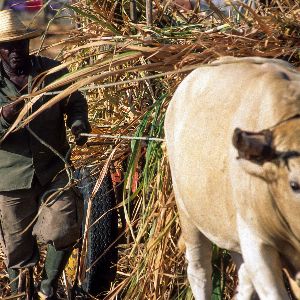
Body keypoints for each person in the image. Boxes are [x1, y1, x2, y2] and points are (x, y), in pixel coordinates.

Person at [0, 9, 91, 299]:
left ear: (29, 43)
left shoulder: (52, 72)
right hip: (10, 178)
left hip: (54, 167)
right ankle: (23, 294)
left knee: (65, 229)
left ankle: (47, 288)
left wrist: (79, 125)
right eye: (8, 46)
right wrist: (5, 116)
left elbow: (75, 100)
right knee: (18, 249)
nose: (16, 52)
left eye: (20, 44)